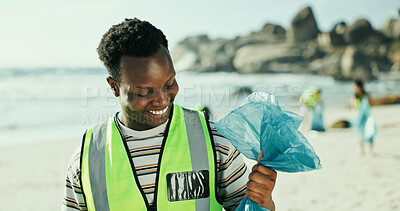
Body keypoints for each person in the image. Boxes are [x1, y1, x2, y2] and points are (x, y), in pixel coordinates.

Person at [62, 18, 276, 211]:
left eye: (169, 83)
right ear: (114, 87)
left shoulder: (215, 141)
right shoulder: (85, 160)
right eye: (144, 91)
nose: (163, 99)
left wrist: (264, 202)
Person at [351, 79, 377, 156]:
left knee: (370, 133)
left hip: (367, 117)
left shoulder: (366, 95)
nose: (354, 88)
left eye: (355, 86)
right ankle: (362, 150)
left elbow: (372, 104)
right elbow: (353, 105)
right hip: (358, 118)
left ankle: (370, 150)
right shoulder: (354, 95)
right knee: (360, 134)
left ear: (359, 86)